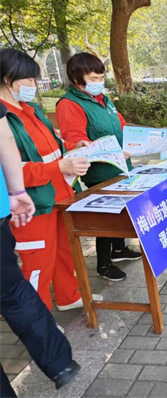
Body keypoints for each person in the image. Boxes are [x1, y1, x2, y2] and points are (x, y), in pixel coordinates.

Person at [0, 48, 103, 311]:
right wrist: (59, 166)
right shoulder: (4, 119)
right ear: (8, 79)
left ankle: (68, 297)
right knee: (37, 265)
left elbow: (52, 146)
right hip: (32, 205)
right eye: (31, 81)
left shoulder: (31, 110)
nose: (35, 86)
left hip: (59, 194)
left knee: (64, 253)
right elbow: (11, 170)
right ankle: (38, 324)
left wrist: (73, 145)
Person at [0, 101, 81, 397]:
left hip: (47, 195)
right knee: (23, 283)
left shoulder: (30, 109)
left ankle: (64, 305)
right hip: (24, 202)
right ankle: (58, 361)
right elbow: (7, 144)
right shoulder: (9, 116)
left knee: (19, 284)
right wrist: (18, 192)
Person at [56, 52, 141, 282]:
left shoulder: (103, 99)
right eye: (93, 78)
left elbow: (120, 125)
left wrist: (136, 140)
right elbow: (75, 141)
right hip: (99, 170)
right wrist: (103, 149)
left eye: (101, 77)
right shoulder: (69, 104)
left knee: (121, 209)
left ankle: (120, 249)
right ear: (77, 79)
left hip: (120, 164)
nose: (99, 82)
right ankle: (103, 265)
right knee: (105, 215)